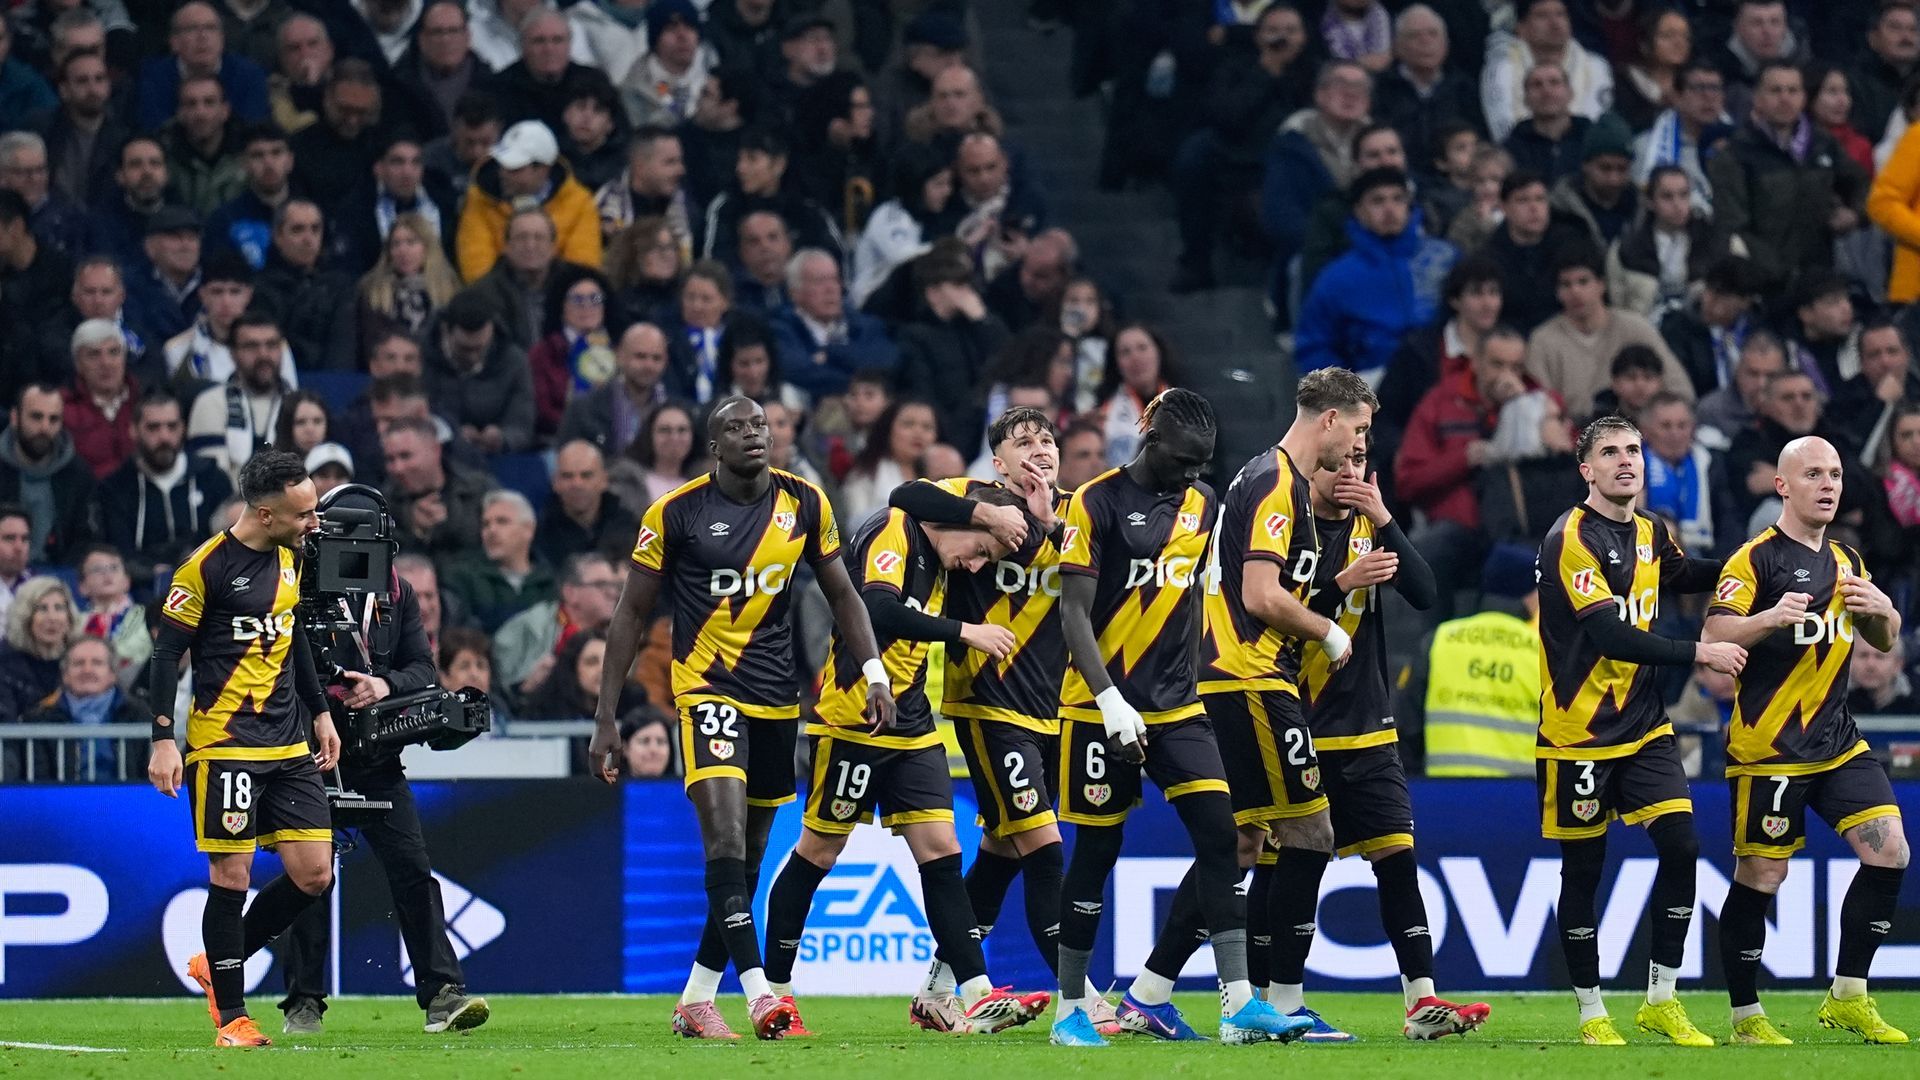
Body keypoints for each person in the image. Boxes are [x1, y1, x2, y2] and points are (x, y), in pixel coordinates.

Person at [586, 396, 895, 1041]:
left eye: (760, 424)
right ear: (713, 446)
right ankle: (762, 998)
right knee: (724, 844)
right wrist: (606, 717)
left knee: (750, 859)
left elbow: (844, 594)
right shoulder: (676, 512)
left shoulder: (807, 502)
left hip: (778, 699)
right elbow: (629, 614)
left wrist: (873, 674)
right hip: (707, 691)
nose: (754, 434)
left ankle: (697, 998)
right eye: (736, 428)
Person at [1046, 387, 1310, 1047]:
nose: (1192, 474)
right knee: (1098, 851)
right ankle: (1070, 1010)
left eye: (1203, 463)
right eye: (1183, 460)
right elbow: (1072, 611)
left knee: (1223, 837)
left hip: (1178, 706)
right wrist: (1108, 699)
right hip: (1096, 707)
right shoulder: (1094, 502)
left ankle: (1239, 1002)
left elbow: (1196, 598)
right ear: (1150, 437)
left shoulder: (1204, 503)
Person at [761, 484, 1051, 1036]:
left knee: (942, 852)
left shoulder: (943, 563)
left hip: (912, 723)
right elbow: (876, 610)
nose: (975, 566)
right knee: (817, 854)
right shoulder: (895, 528)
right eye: (981, 551)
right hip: (855, 717)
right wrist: (966, 631)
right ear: (970, 519)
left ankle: (972, 995)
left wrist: (1042, 522)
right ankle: (776, 995)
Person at [881, 407, 1115, 1028]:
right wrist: (991, 516)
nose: (1038, 450)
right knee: (1043, 848)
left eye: (1046, 440)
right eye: (1022, 442)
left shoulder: (1079, 513)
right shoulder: (971, 497)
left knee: (1000, 849)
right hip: (987, 700)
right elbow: (903, 496)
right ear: (998, 461)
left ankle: (938, 984)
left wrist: (1043, 527)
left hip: (1052, 707)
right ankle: (1080, 997)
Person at [1534, 415, 1747, 1046]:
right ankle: (1592, 1010)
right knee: (1584, 871)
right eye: (1611, 452)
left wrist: (1763, 560)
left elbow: (1687, 574)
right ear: (1587, 470)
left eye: (1633, 449)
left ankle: (1661, 998)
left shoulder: (1653, 531)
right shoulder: (1569, 536)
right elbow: (1610, 635)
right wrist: (1699, 652)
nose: (1626, 460)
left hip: (1645, 726)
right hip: (1580, 732)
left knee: (1682, 848)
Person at [1704, 436, 1908, 1045]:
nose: (1829, 484)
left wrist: (1882, 608)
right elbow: (1715, 635)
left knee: (1890, 851)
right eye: (1814, 473)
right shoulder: (1755, 560)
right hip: (1771, 747)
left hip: (1838, 741)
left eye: (1837, 474)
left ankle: (1849, 995)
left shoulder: (1848, 560)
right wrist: (1768, 617)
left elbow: (1887, 639)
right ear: (1783, 486)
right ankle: (1746, 1017)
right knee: (1763, 876)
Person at [1286, 430, 1487, 1039]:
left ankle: (1422, 1002)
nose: (1352, 471)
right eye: (1342, 461)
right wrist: (1341, 583)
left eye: (1362, 461)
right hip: (1297, 720)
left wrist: (1386, 519)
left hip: (1369, 722)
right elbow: (1259, 611)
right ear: (1315, 464)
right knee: (1292, 868)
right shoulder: (1283, 525)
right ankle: (1281, 1002)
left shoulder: (1369, 526)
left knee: (1397, 858)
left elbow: (1426, 594)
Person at [145, 450, 337, 1049]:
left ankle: (216, 962)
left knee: (315, 875)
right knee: (232, 875)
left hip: (288, 744)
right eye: (304, 513)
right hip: (224, 744)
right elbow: (164, 656)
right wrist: (162, 739)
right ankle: (233, 1019)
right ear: (264, 511)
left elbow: (294, 638)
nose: (314, 522)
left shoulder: (291, 559)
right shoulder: (202, 570)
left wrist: (322, 712)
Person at [274, 526, 490, 1036]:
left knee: (413, 870)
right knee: (311, 878)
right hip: (308, 755)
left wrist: (382, 683)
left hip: (377, 755)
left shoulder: (397, 592)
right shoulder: (292, 588)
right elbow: (274, 668)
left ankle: (443, 994)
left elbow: (424, 671)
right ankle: (303, 1002)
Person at [1707, 61, 1868, 290]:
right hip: (1764, 283)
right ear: (1757, 98)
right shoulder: (1735, 154)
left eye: (1793, 91)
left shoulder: (1823, 144)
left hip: (1820, 278)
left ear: (1803, 98)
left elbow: (1862, 183)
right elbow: (1733, 226)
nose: (1785, 98)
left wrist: (1855, 214)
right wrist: (1778, 270)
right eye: (1776, 91)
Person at [1295, 167, 1457, 385]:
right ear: (1359, 211)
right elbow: (1314, 347)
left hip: (1446, 377)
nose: (1390, 209)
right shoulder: (1337, 278)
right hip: (1369, 384)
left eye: (1398, 199)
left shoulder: (1445, 259)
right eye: (1378, 201)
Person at [1525, 245, 1692, 415]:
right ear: (1557, 292)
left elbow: (1680, 390)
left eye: (1583, 281)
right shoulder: (1543, 340)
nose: (1575, 291)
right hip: (1573, 433)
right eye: (1566, 285)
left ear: (1601, 284)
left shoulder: (1635, 327)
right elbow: (1536, 405)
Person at [99, 390, 233, 591]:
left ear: (184, 429)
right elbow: (118, 554)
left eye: (172, 427)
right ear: (134, 431)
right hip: (139, 591)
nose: (164, 436)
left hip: (207, 589)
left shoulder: (213, 479)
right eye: (153, 427)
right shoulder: (115, 488)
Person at [455, 119, 601, 282]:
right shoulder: (479, 200)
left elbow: (582, 270)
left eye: (515, 168)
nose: (504, 173)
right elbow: (476, 269)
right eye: (502, 164)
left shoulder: (579, 203)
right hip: (495, 301)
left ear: (543, 169)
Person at [1481, 0, 1613, 143]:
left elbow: (1596, 122)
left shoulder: (1596, 67)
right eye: (1542, 16)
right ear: (1521, 28)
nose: (1555, 24)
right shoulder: (1501, 69)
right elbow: (1503, 128)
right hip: (1523, 157)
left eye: (1561, 14)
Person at [493, 552, 620, 698]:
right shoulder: (528, 628)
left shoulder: (624, 633)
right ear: (570, 593)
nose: (613, 593)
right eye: (601, 585)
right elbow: (502, 690)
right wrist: (525, 688)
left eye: (615, 586)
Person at [0, 381, 94, 566]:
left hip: (62, 576)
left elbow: (86, 539)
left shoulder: (78, 474)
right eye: (36, 417)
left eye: (53, 419)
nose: (44, 428)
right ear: (14, 418)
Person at [440, 490, 555, 634]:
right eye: (486, 524)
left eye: (502, 521)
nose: (492, 530)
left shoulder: (551, 582)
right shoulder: (462, 578)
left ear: (529, 529)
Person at [0, 575, 79, 721]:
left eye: (59, 608)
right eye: (42, 609)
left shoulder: (81, 660)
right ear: (25, 617)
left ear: (69, 618)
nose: (52, 618)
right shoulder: (4, 663)